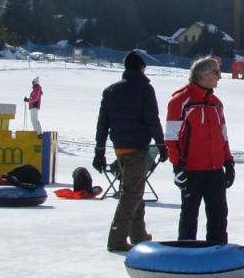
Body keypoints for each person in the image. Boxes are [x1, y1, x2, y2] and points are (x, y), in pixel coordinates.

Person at [93, 50, 168, 253]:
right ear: (142, 68)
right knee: (132, 193)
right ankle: (117, 238)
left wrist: (99, 151)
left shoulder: (110, 91)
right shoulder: (145, 89)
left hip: (120, 147)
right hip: (137, 146)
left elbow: (102, 124)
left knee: (135, 188)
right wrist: (161, 144)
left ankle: (138, 234)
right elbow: (152, 119)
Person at [166, 56, 234, 243]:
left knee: (219, 215)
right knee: (189, 215)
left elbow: (223, 135)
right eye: (216, 72)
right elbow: (171, 138)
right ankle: (186, 252)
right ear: (203, 75)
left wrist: (228, 162)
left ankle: (218, 249)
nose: (220, 77)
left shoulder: (216, 103)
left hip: (215, 170)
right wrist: (177, 166)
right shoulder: (180, 101)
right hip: (192, 170)